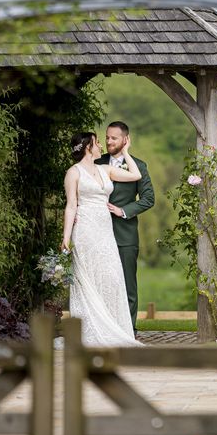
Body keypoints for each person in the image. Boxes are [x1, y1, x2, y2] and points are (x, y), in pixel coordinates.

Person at [61, 132, 143, 347]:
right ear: (88, 147)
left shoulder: (105, 169)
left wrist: (126, 151)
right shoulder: (73, 173)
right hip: (86, 230)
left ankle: (114, 327)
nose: (101, 146)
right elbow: (71, 206)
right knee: (89, 278)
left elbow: (135, 175)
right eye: (97, 142)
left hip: (105, 232)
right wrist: (66, 237)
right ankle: (89, 329)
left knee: (111, 279)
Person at [94, 121, 155, 336]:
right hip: (97, 233)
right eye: (107, 137)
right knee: (100, 282)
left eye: (114, 138)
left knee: (128, 283)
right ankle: (104, 328)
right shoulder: (96, 163)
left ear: (125, 140)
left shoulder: (139, 165)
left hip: (125, 233)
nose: (109, 141)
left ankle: (129, 330)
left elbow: (148, 199)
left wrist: (123, 210)